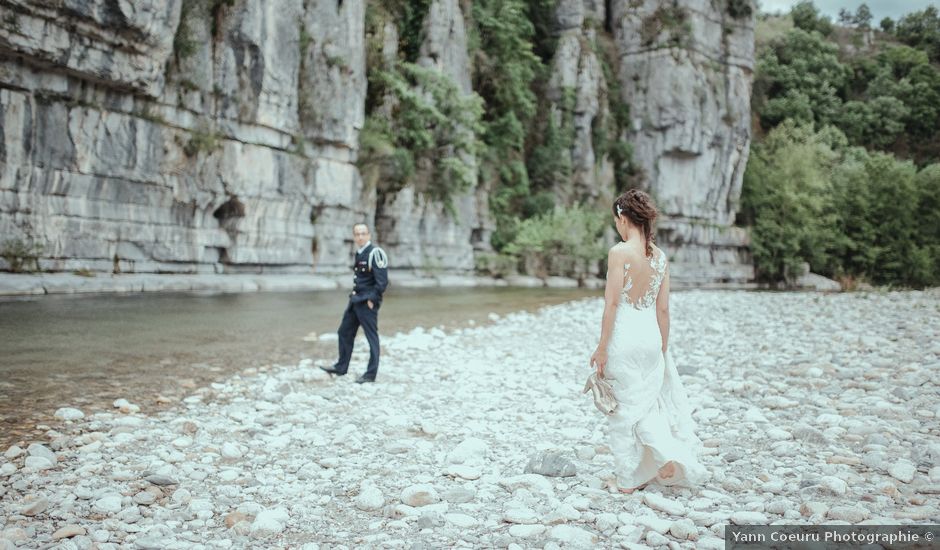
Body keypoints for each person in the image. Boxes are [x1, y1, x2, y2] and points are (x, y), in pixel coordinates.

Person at [589, 189, 708, 493]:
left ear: (624, 218)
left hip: (625, 336)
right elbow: (663, 308)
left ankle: (628, 479)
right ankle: (665, 460)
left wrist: (602, 347)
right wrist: (663, 346)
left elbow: (612, 304)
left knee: (624, 409)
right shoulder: (660, 257)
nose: (617, 225)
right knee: (647, 403)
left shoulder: (619, 253)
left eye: (617, 220)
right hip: (651, 336)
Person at [320, 223, 389, 383]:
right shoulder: (359, 253)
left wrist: (373, 299)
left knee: (371, 337)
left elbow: (382, 282)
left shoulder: (375, 253)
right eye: (357, 234)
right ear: (354, 237)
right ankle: (341, 367)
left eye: (363, 233)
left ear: (369, 235)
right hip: (355, 300)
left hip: (367, 303)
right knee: (344, 332)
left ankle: (370, 374)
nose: (360, 237)